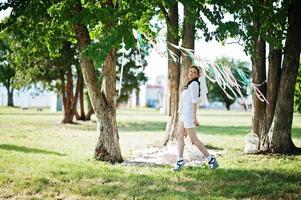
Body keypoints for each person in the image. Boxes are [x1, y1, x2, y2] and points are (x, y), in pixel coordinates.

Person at [173, 65, 219, 171]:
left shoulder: (194, 84)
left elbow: (194, 102)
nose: (191, 73)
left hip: (189, 116)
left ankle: (211, 159)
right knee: (179, 135)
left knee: (194, 140)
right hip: (183, 115)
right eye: (190, 71)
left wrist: (194, 118)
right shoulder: (190, 84)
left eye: (194, 72)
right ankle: (180, 161)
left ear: (198, 75)